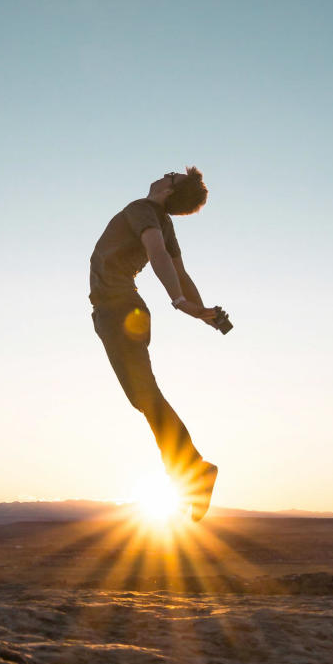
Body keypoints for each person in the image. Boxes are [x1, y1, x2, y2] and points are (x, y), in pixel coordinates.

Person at [89, 167, 222, 521]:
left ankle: (194, 470)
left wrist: (180, 302)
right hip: (121, 309)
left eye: (171, 175)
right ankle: (190, 470)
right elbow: (180, 270)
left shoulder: (143, 209)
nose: (164, 174)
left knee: (146, 397)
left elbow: (159, 255)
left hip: (117, 308)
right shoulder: (162, 222)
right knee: (144, 398)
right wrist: (202, 312)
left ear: (168, 190)